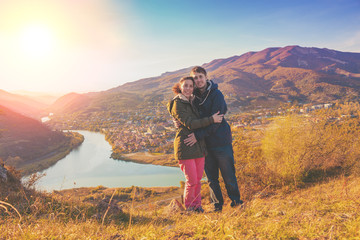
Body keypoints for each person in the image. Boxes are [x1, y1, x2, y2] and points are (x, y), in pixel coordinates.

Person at [184, 66, 243, 212]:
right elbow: (187, 114)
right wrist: (177, 120)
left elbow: (216, 122)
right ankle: (217, 206)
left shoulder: (217, 94)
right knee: (212, 179)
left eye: (200, 77)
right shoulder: (193, 97)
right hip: (205, 145)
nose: (198, 80)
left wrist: (198, 135)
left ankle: (236, 203)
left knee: (229, 175)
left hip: (221, 142)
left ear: (206, 77)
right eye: (195, 78)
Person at [167, 76, 223, 212]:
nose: (188, 88)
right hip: (185, 146)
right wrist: (211, 119)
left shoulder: (192, 102)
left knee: (197, 180)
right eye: (185, 85)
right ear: (180, 87)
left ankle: (198, 206)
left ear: (193, 88)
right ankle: (190, 207)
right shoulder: (177, 103)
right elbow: (191, 123)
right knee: (191, 181)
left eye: (190, 86)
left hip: (198, 146)